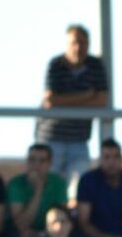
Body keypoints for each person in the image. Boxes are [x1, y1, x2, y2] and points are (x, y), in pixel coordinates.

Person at [39, 24, 109, 184]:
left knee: (79, 185)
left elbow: (101, 101)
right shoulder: (56, 65)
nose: (78, 47)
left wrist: (65, 100)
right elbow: (51, 101)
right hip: (52, 137)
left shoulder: (95, 65)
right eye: (74, 43)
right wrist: (86, 96)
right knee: (49, 185)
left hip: (79, 139)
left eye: (83, 43)